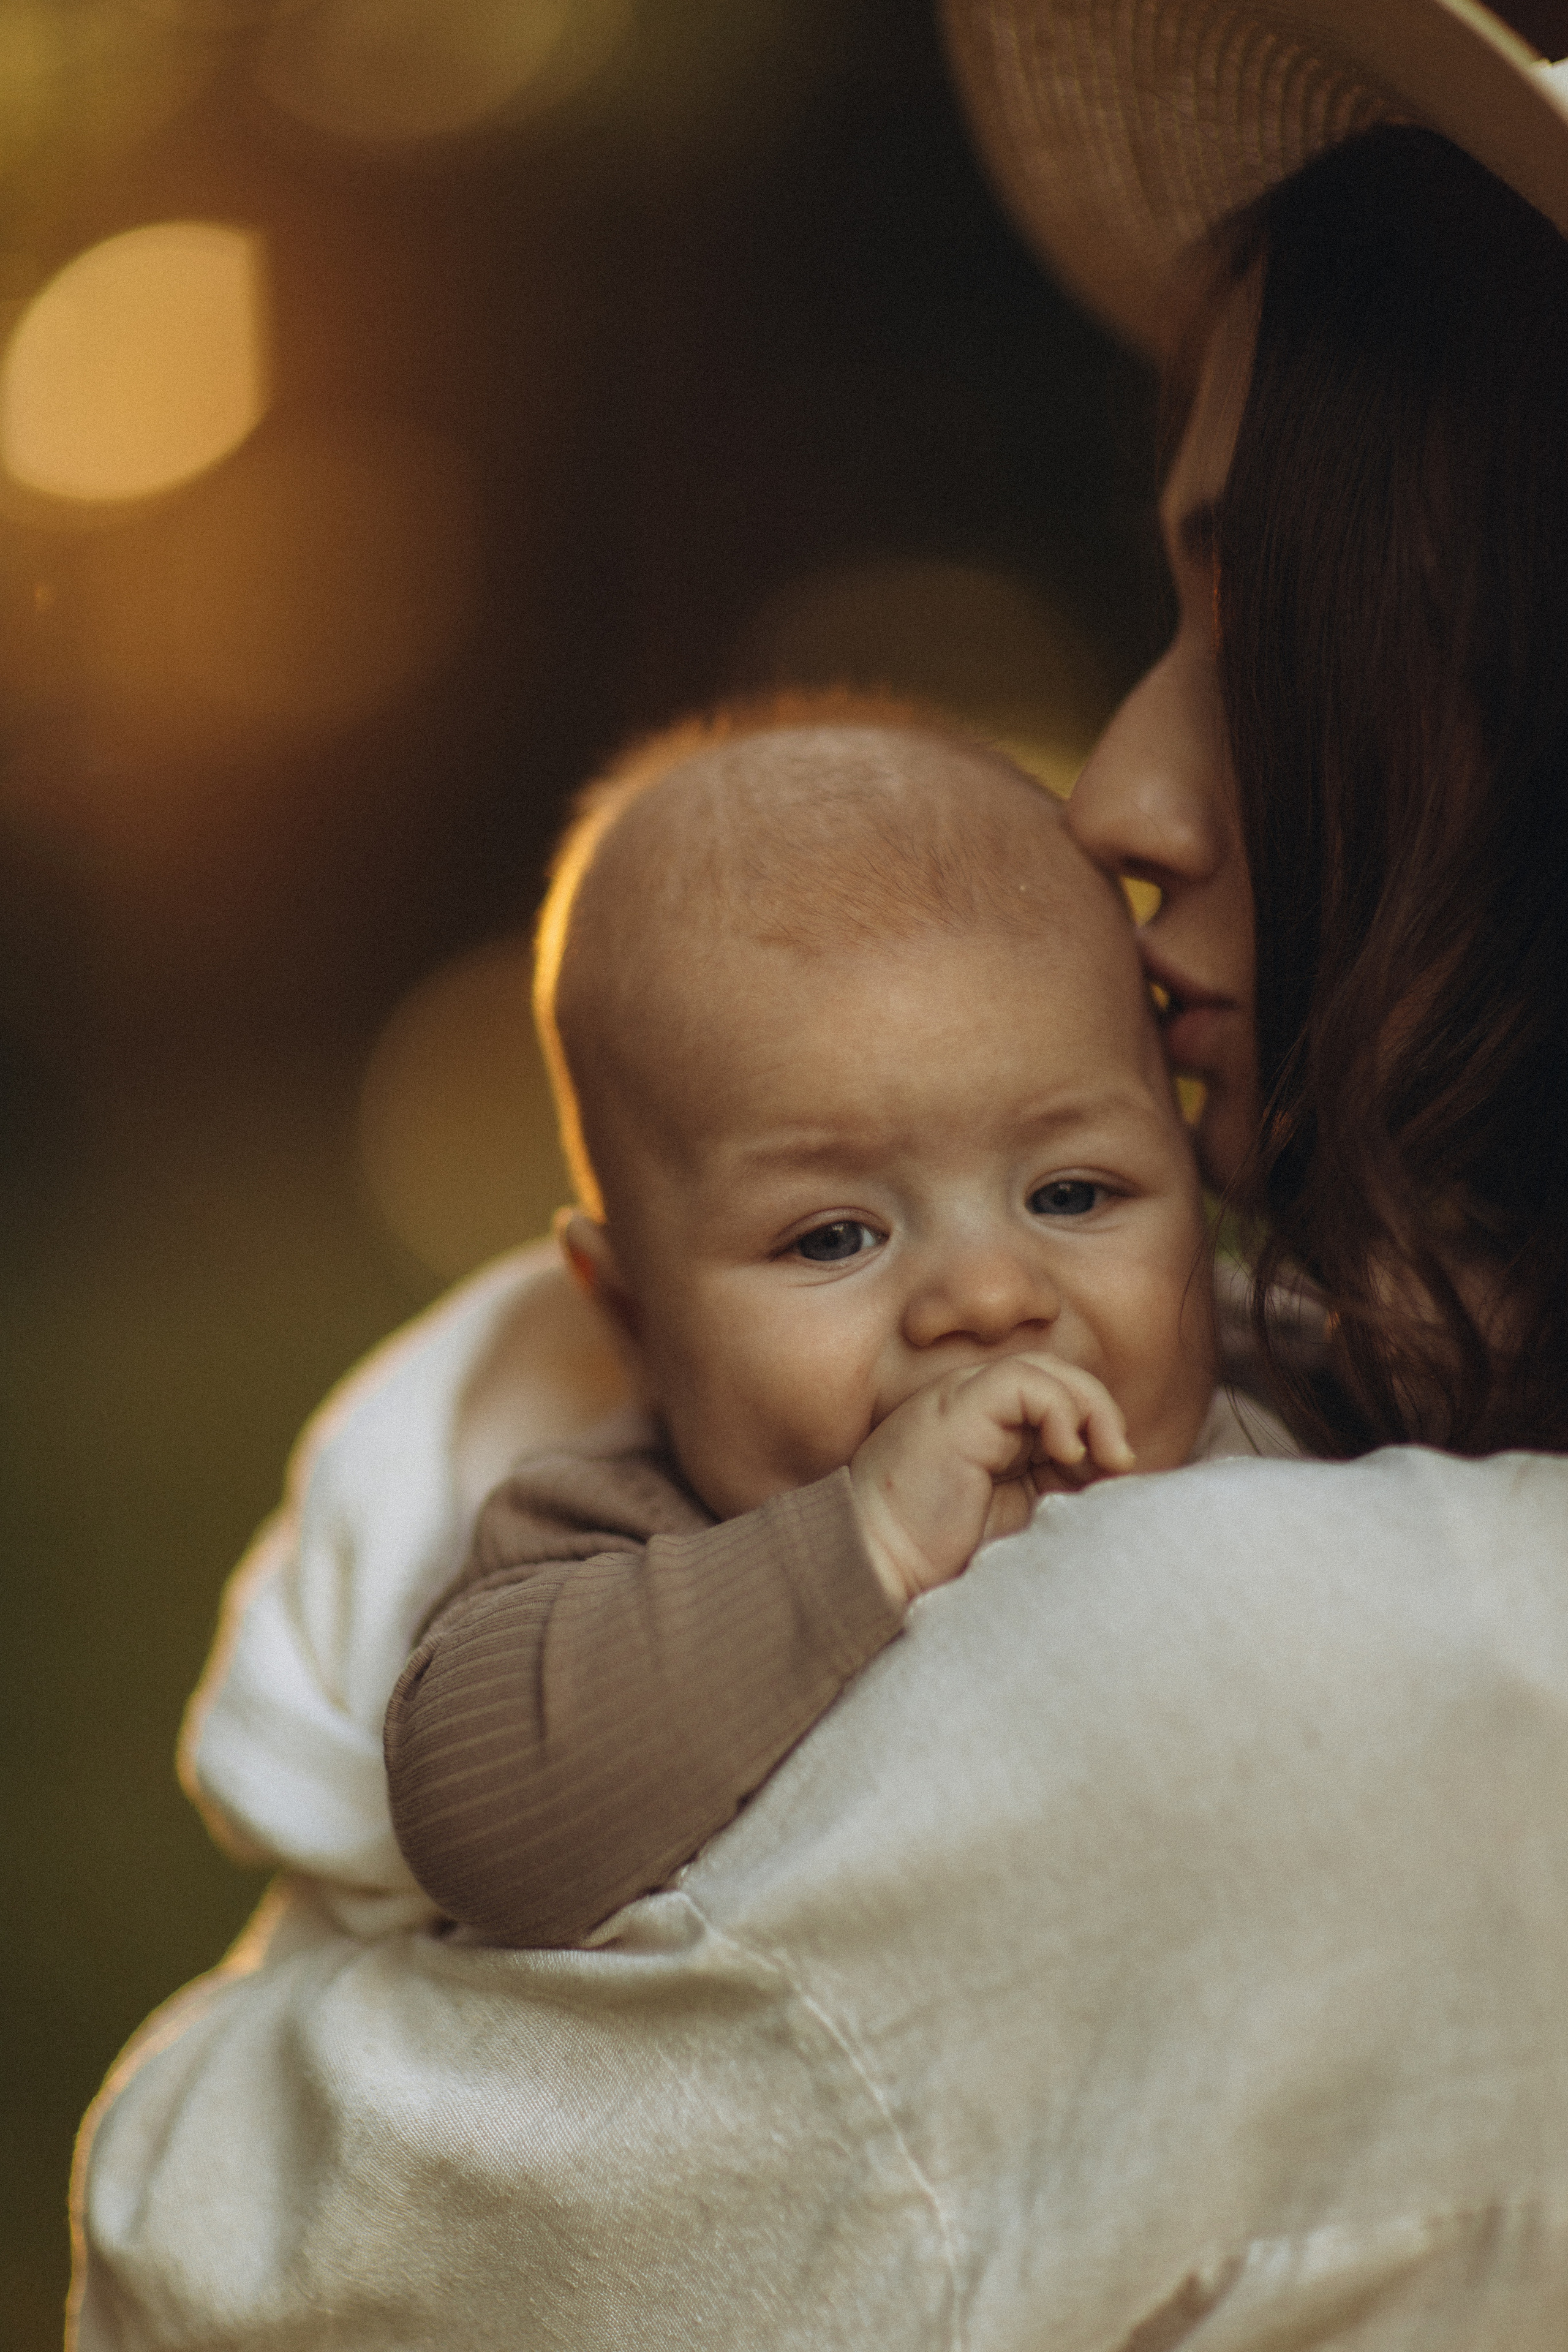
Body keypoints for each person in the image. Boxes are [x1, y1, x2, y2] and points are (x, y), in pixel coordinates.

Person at [69, 5, 1568, 2346]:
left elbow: (226, 2257)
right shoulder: (1387, 1454)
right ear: (620, 1288)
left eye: (1262, 623)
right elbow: (492, 1757)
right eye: (841, 1231)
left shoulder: (1314, 1686)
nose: (1127, 802)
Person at [386, 698, 1289, 1950]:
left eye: (1072, 1194)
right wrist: (860, 1537)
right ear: (633, 1320)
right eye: (832, 1237)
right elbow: (472, 1811)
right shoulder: (636, 1533)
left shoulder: (1288, 1377)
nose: (986, 1298)